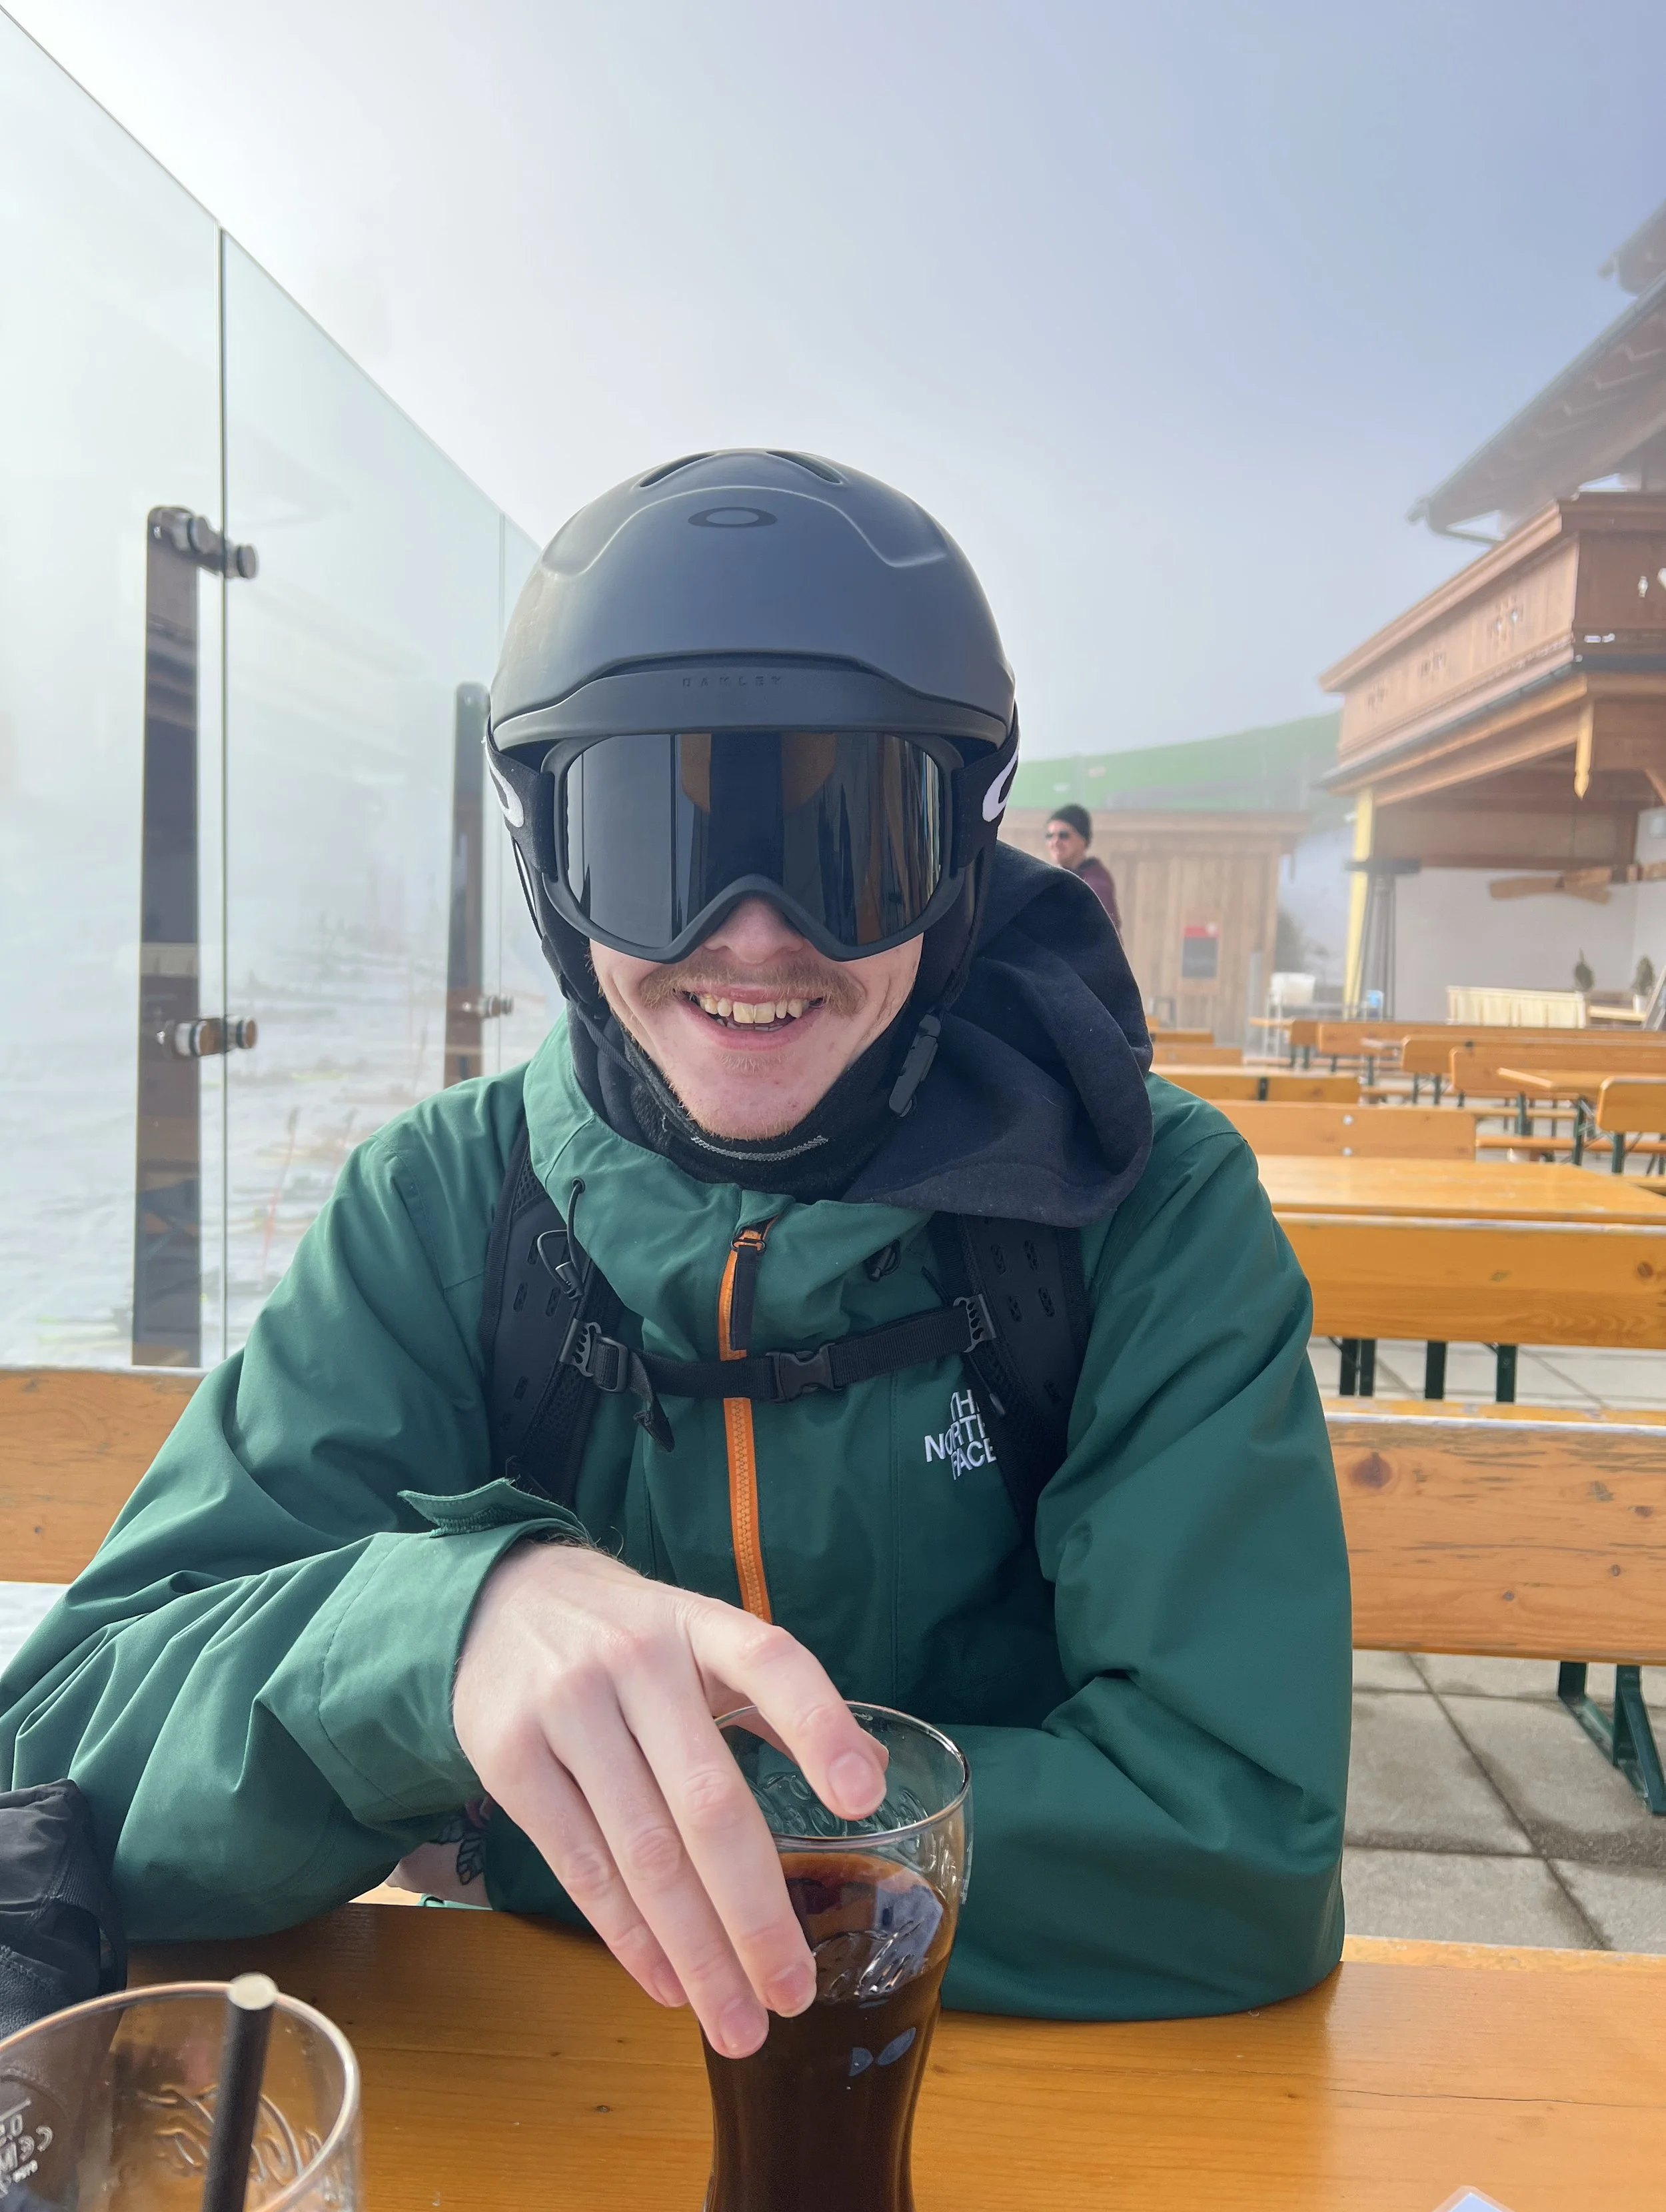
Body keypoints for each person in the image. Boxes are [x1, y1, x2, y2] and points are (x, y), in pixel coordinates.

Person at [0, 453, 1347, 2060]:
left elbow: (1231, 1842)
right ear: (552, 873)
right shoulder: (447, 1211)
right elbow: (60, 1763)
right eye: (658, 838)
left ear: (963, 855)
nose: (756, 934)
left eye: (847, 840)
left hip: (1024, 2095)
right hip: (547, 2098)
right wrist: (436, 1640)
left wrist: (535, 1826)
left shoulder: (1136, 1208)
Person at [1046, 802, 1122, 932]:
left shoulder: (1096, 887)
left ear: (1083, 839)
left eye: (1063, 835)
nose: (1055, 842)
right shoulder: (1053, 877)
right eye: (1050, 836)